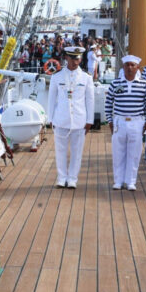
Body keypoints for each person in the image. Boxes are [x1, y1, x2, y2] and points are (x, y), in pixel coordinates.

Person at [47, 46, 94, 188]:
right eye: (73, 58)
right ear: (66, 58)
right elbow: (51, 99)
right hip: (61, 119)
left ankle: (72, 178)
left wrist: (89, 121)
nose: (76, 61)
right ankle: (62, 178)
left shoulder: (86, 78)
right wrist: (50, 119)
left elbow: (90, 100)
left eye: (78, 58)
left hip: (79, 120)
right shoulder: (57, 77)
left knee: (77, 152)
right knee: (60, 151)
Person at [104, 55, 146, 191]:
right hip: (120, 121)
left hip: (137, 121)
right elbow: (108, 103)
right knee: (118, 153)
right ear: (123, 67)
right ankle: (118, 181)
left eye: (132, 65)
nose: (129, 68)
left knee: (134, 154)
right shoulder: (115, 84)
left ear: (137, 68)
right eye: (127, 65)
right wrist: (110, 120)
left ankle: (131, 181)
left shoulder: (145, 85)